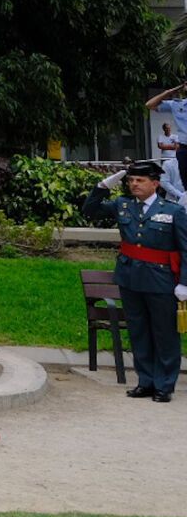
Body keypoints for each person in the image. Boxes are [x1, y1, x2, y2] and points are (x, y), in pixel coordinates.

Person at [82, 161, 187, 402]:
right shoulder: (123, 205)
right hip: (130, 278)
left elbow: (185, 248)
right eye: (131, 180)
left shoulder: (173, 211)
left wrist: (184, 282)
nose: (134, 184)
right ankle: (146, 381)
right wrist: (103, 185)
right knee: (138, 331)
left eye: (140, 180)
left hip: (161, 280)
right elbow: (90, 210)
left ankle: (164, 384)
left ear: (155, 183)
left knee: (164, 333)